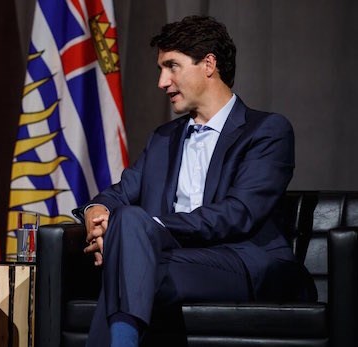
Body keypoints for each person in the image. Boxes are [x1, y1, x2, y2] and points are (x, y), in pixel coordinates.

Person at [76, 15, 315, 346]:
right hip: (170, 260)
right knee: (129, 232)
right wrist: (95, 209)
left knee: (129, 242)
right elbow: (121, 193)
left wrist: (149, 229)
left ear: (208, 64)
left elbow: (239, 212)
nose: (162, 81)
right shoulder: (163, 138)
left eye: (171, 66)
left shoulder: (267, 131)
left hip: (237, 261)